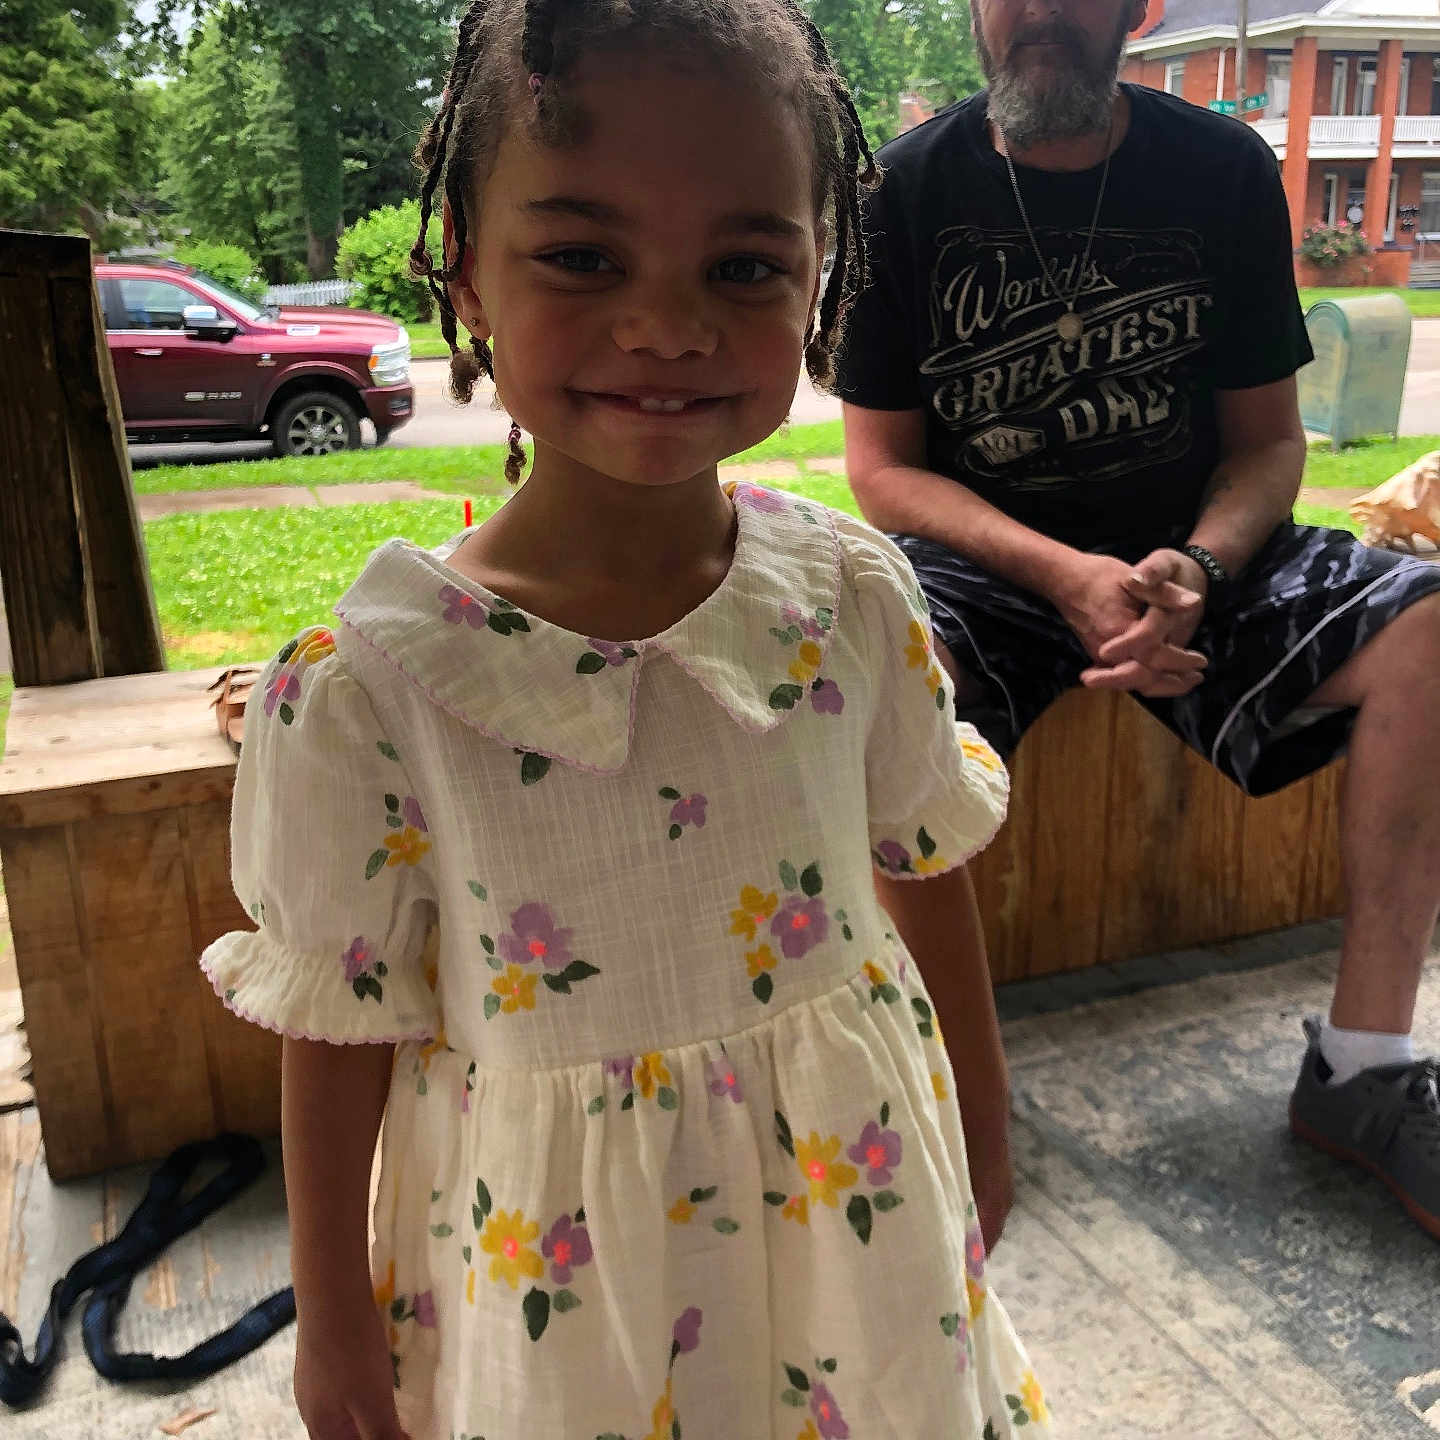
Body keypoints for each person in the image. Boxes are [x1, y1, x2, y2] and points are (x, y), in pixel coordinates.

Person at [200, 2, 1053, 1437]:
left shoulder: (849, 598)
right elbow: (340, 1023)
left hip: (862, 1215)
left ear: (818, 282)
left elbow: (921, 860)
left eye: (745, 264)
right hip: (560, 1273)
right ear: (462, 270)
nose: (667, 326)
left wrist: (982, 1114)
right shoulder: (368, 692)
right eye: (582, 257)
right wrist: (332, 1320)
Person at [836, 0, 1440, 1242]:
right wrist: (1061, 570)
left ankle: (1364, 1071)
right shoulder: (899, 191)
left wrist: (1201, 566)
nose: (1040, 11)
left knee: (1431, 623)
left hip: (1191, 550)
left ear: (1139, 9)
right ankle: (926, 1082)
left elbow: (1269, 446)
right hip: (984, 566)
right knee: (870, 672)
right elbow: (883, 472)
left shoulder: (1220, 169)